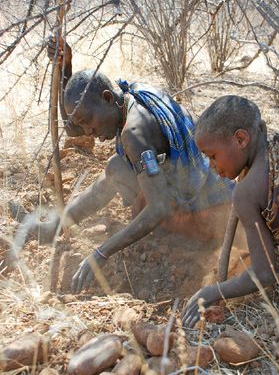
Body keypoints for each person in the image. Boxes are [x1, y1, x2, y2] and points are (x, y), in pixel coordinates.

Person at [21, 39, 235, 294]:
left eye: (89, 122)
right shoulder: (130, 95)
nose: (89, 132)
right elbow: (72, 126)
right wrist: (64, 68)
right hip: (206, 192)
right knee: (117, 170)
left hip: (207, 213)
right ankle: (58, 225)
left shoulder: (134, 134)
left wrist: (101, 252)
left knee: (118, 172)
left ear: (107, 98)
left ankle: (174, 237)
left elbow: (159, 208)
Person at [183, 95, 279, 328]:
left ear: (240, 139)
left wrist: (211, 292)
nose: (211, 166)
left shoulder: (247, 192)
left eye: (212, 156)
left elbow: (263, 274)